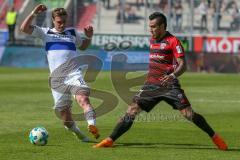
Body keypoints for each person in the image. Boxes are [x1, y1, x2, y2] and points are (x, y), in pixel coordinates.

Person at [93, 12, 228, 151]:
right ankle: (110, 140)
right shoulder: (152, 40)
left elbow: (183, 65)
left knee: (188, 114)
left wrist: (173, 76)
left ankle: (215, 137)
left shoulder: (173, 41)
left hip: (170, 85)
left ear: (162, 26)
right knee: (132, 110)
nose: (150, 30)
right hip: (151, 85)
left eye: (153, 26)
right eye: (149, 26)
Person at [20, 4, 100, 142]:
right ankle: (79, 133)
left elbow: (83, 46)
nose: (62, 24)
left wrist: (88, 37)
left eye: (64, 22)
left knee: (83, 99)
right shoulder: (45, 33)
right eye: (59, 22)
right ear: (53, 20)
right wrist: (34, 13)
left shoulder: (73, 33)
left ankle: (92, 126)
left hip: (74, 74)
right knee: (66, 120)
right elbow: (24, 28)